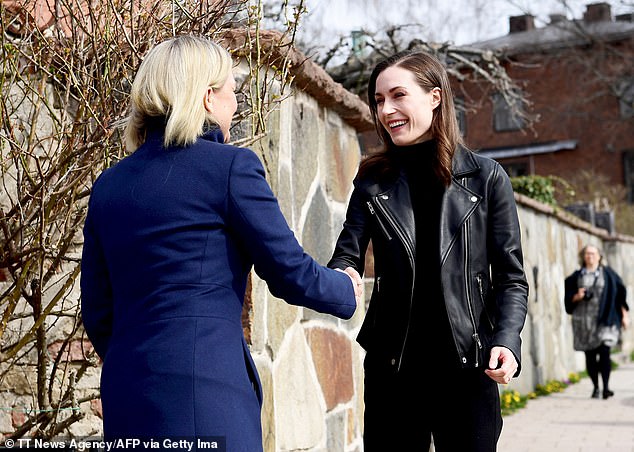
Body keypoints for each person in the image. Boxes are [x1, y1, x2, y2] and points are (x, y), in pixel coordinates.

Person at [80, 35, 361, 451]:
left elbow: (99, 311)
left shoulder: (109, 185)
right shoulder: (230, 168)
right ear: (208, 97)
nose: (235, 104)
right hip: (207, 395)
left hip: (128, 393)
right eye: (232, 92)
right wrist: (346, 288)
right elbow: (288, 271)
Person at [328, 49, 529, 452]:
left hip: (470, 370)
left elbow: (511, 279)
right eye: (379, 100)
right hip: (393, 370)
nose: (386, 110)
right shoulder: (372, 179)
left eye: (398, 95)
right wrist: (344, 273)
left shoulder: (487, 178)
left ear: (435, 97)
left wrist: (506, 341)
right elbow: (346, 253)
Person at [564, 244, 629, 399]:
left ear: (599, 256)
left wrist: (624, 315)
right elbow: (568, 299)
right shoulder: (576, 277)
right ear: (583, 257)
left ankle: (606, 387)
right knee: (590, 356)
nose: (590, 256)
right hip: (584, 322)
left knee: (605, 351)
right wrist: (577, 296)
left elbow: (620, 295)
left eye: (593, 253)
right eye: (587, 253)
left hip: (606, 320)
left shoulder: (609, 275)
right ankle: (595, 387)